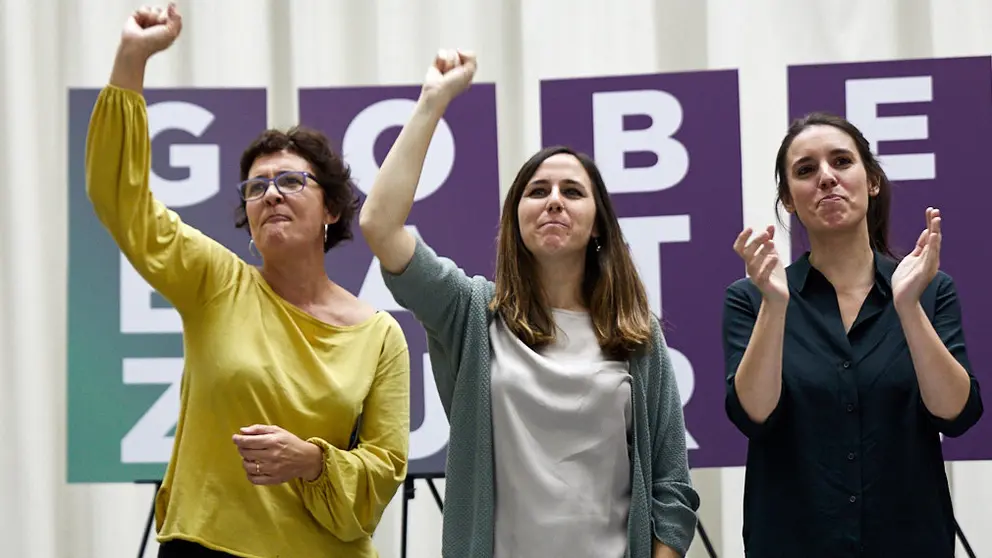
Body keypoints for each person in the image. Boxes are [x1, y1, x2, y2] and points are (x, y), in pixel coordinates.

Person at [85, 4, 410, 557]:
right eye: (256, 188)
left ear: (331, 208)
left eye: (290, 180)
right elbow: (124, 202)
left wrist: (312, 461)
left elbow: (385, 468)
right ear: (249, 218)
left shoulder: (379, 335)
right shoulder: (215, 281)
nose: (272, 194)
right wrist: (132, 60)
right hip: (206, 545)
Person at [358, 49, 700, 558]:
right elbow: (379, 226)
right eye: (537, 191)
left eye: (572, 191)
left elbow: (672, 487)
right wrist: (432, 102)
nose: (554, 200)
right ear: (516, 220)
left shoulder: (637, 335)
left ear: (598, 223)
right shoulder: (472, 313)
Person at [722, 111, 983, 557]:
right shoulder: (754, 298)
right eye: (806, 170)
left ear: (872, 180)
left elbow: (956, 414)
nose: (826, 178)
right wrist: (775, 305)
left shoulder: (928, 288)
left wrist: (907, 307)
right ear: (788, 198)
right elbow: (754, 415)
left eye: (842, 162)